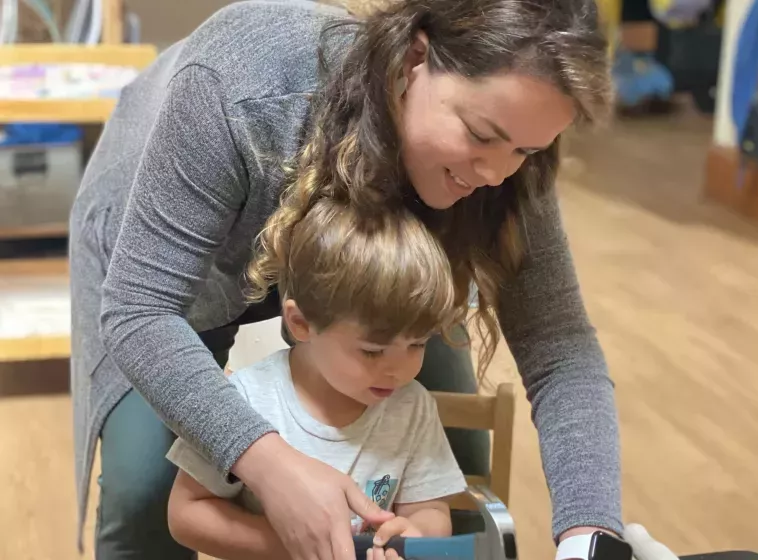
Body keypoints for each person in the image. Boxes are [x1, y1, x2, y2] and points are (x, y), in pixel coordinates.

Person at [68, 0, 621, 559]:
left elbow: (559, 346)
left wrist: (589, 533)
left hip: (366, 265)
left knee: (456, 470)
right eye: (480, 134)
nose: (496, 173)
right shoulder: (244, 85)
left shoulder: (510, 153)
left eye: (526, 150)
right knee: (144, 492)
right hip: (176, 254)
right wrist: (270, 466)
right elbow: (141, 310)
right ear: (415, 61)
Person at [165, 198, 467, 560]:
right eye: (372, 351)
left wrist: (415, 535)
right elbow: (186, 514)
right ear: (301, 323)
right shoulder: (244, 399)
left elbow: (430, 510)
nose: (398, 370)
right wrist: (299, 545)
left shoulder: (412, 406)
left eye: (418, 344)